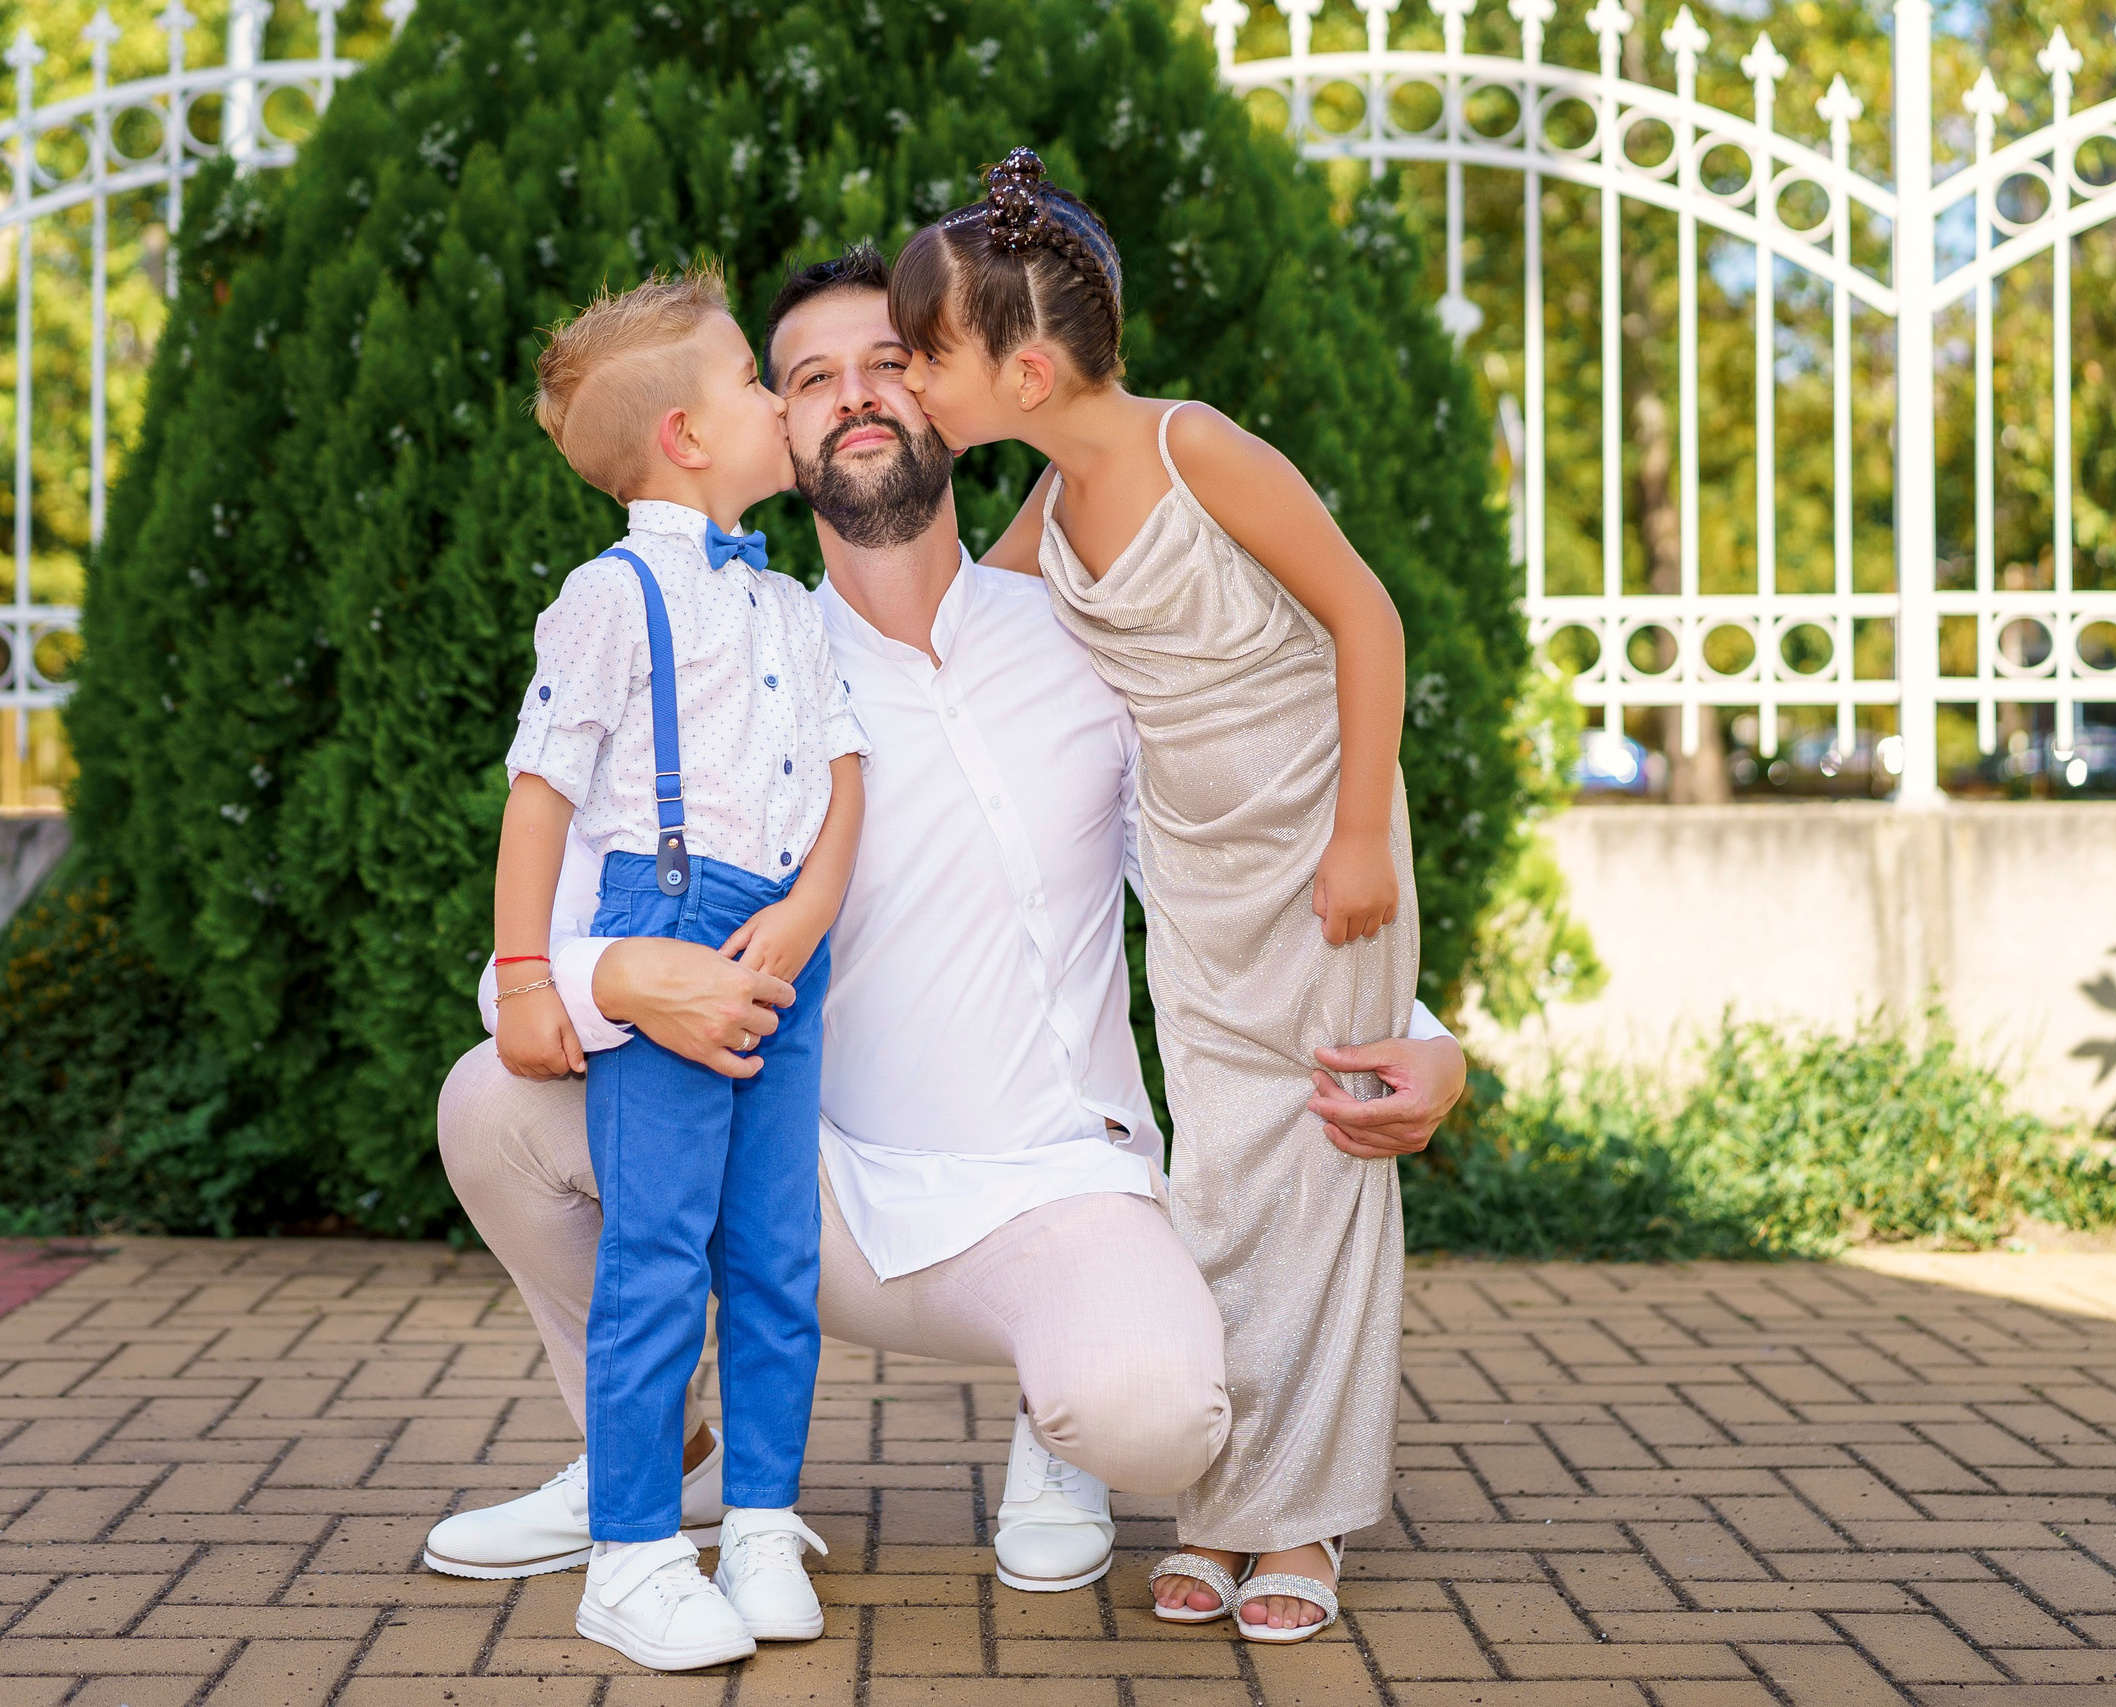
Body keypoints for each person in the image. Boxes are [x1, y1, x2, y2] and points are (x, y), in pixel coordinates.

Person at [429, 245, 1468, 1616]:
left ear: (960, 397)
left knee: (1153, 1412)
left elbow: (1245, 845)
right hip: (817, 1192)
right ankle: (652, 1448)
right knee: (490, 1100)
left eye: (890, 364)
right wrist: (619, 974)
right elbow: (562, 927)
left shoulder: (1078, 632)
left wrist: (1425, 1033)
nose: (854, 396)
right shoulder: (744, 657)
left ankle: (1065, 1415)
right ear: (770, 434)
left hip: (1058, 1192)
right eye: (804, 378)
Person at [891, 149, 1421, 1644]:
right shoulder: (1049, 517)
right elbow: (965, 630)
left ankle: (1301, 1529)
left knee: (1319, 1173)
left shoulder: (1205, 454)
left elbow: (1365, 616)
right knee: (1217, 1187)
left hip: (1323, 867)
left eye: (927, 357)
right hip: (1191, 888)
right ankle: (1225, 1507)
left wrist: (1363, 832)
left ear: (1032, 365)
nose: (915, 380)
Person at [496, 264, 870, 1672]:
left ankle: (761, 1520)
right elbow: (541, 793)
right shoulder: (607, 598)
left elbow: (842, 771)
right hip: (660, 923)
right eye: (757, 384)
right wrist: (530, 976)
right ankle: (635, 1551)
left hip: (783, 939)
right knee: (658, 1253)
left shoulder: (787, 603)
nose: (784, 405)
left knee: (773, 1252)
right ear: (689, 441)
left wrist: (812, 908)